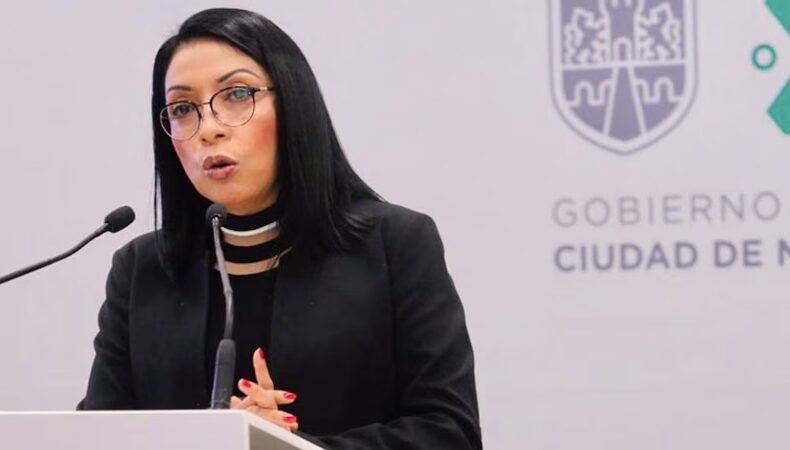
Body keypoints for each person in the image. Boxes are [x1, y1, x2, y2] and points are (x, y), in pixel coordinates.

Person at [78, 8, 481, 449]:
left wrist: (286, 446)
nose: (208, 129)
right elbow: (97, 439)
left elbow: (450, 434)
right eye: (182, 108)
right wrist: (213, 438)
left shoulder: (395, 245)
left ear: (293, 104)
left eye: (236, 94)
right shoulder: (141, 270)